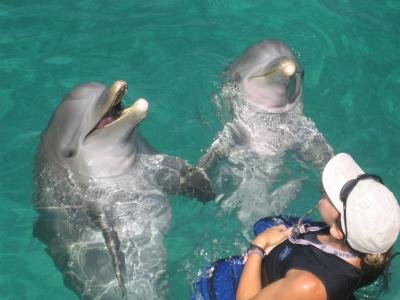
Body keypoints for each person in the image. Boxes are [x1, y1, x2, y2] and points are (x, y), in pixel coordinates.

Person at [236, 153, 400, 300]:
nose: (326, 189)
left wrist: (258, 247)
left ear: (337, 231)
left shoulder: (309, 285)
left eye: (333, 197)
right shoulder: (376, 246)